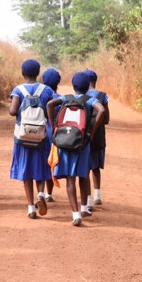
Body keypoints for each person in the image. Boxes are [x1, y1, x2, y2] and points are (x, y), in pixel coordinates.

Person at [47, 72, 106, 226]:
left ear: (73, 86)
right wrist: (91, 131)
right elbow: (101, 110)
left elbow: (49, 104)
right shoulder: (90, 99)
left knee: (70, 179)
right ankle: (85, 207)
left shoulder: (66, 98)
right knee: (83, 175)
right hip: (82, 142)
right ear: (88, 86)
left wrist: (54, 127)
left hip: (65, 141)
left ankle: (75, 214)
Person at [9, 59, 55, 219]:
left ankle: (30, 207)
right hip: (41, 136)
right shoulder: (47, 90)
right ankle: (41, 193)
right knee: (41, 168)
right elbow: (53, 108)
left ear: (23, 73)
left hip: (23, 136)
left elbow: (13, 111)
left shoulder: (18, 90)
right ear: (38, 73)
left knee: (26, 171)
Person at [84, 69, 110, 207]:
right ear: (95, 81)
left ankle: (87, 200)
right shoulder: (102, 95)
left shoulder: (82, 96)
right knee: (95, 168)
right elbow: (106, 120)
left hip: (85, 136)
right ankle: (97, 195)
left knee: (85, 168)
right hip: (99, 137)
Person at [41, 68, 62, 203]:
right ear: (57, 83)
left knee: (42, 162)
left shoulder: (42, 96)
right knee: (51, 163)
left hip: (42, 132)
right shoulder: (59, 99)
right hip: (55, 133)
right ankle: (49, 193)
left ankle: (40, 192)